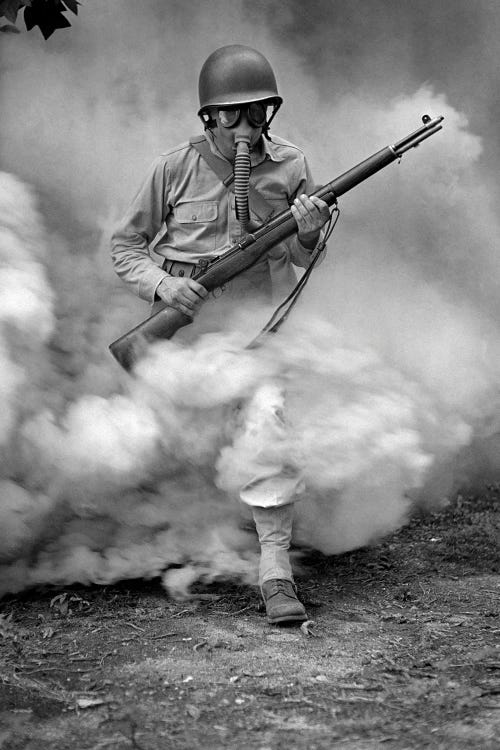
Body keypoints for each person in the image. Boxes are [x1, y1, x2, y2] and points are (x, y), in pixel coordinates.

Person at [111, 45, 331, 624]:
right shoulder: (172, 167)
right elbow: (125, 247)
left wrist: (307, 235)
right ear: (208, 115)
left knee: (267, 422)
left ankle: (275, 572)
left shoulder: (291, 165)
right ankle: (162, 544)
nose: (242, 126)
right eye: (228, 114)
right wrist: (164, 286)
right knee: (138, 444)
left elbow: (303, 259)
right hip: (183, 334)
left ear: (270, 111)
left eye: (254, 112)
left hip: (254, 330)